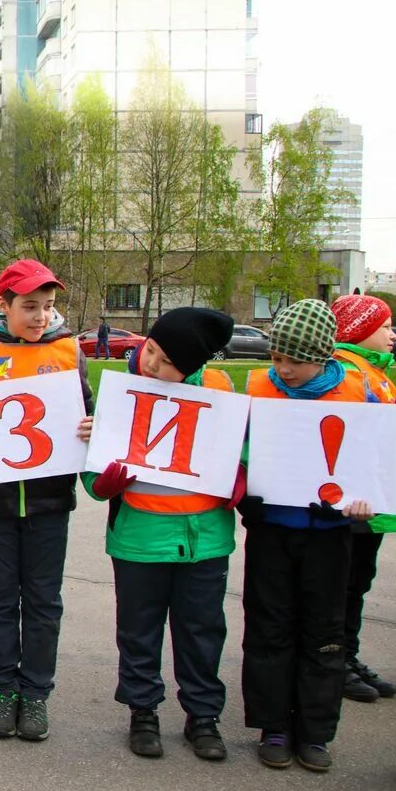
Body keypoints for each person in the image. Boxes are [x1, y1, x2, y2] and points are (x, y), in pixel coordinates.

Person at [84, 308, 239, 761]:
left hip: (204, 541)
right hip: (139, 539)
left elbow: (244, 455)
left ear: (191, 367)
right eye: (151, 349)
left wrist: (241, 480)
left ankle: (203, 716)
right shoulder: (121, 394)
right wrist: (106, 478)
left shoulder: (218, 392)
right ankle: (143, 711)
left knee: (202, 632)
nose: (151, 363)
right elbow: (94, 483)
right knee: (138, 631)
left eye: (167, 361)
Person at [0, 259, 94, 742]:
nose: (40, 316)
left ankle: (35, 693)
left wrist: (91, 428)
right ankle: (4, 688)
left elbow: (89, 411)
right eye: (30, 306)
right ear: (5, 305)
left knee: (42, 602)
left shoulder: (69, 350)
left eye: (49, 307)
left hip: (50, 502)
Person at [237, 298, 374, 773]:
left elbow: (377, 459)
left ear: (324, 355)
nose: (283, 368)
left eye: (295, 359)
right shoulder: (257, 390)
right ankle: (273, 725)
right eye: (276, 357)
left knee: (324, 632)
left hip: (330, 534)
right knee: (269, 627)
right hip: (272, 529)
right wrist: (244, 484)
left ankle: (314, 731)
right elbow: (235, 449)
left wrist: (366, 498)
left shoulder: (360, 394)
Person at [329, 293, 396, 703]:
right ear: (359, 328)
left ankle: (348, 655)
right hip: (353, 504)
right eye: (385, 327)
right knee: (345, 585)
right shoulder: (348, 373)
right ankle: (338, 660)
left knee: (357, 583)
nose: (393, 335)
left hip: (373, 502)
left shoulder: (376, 372)